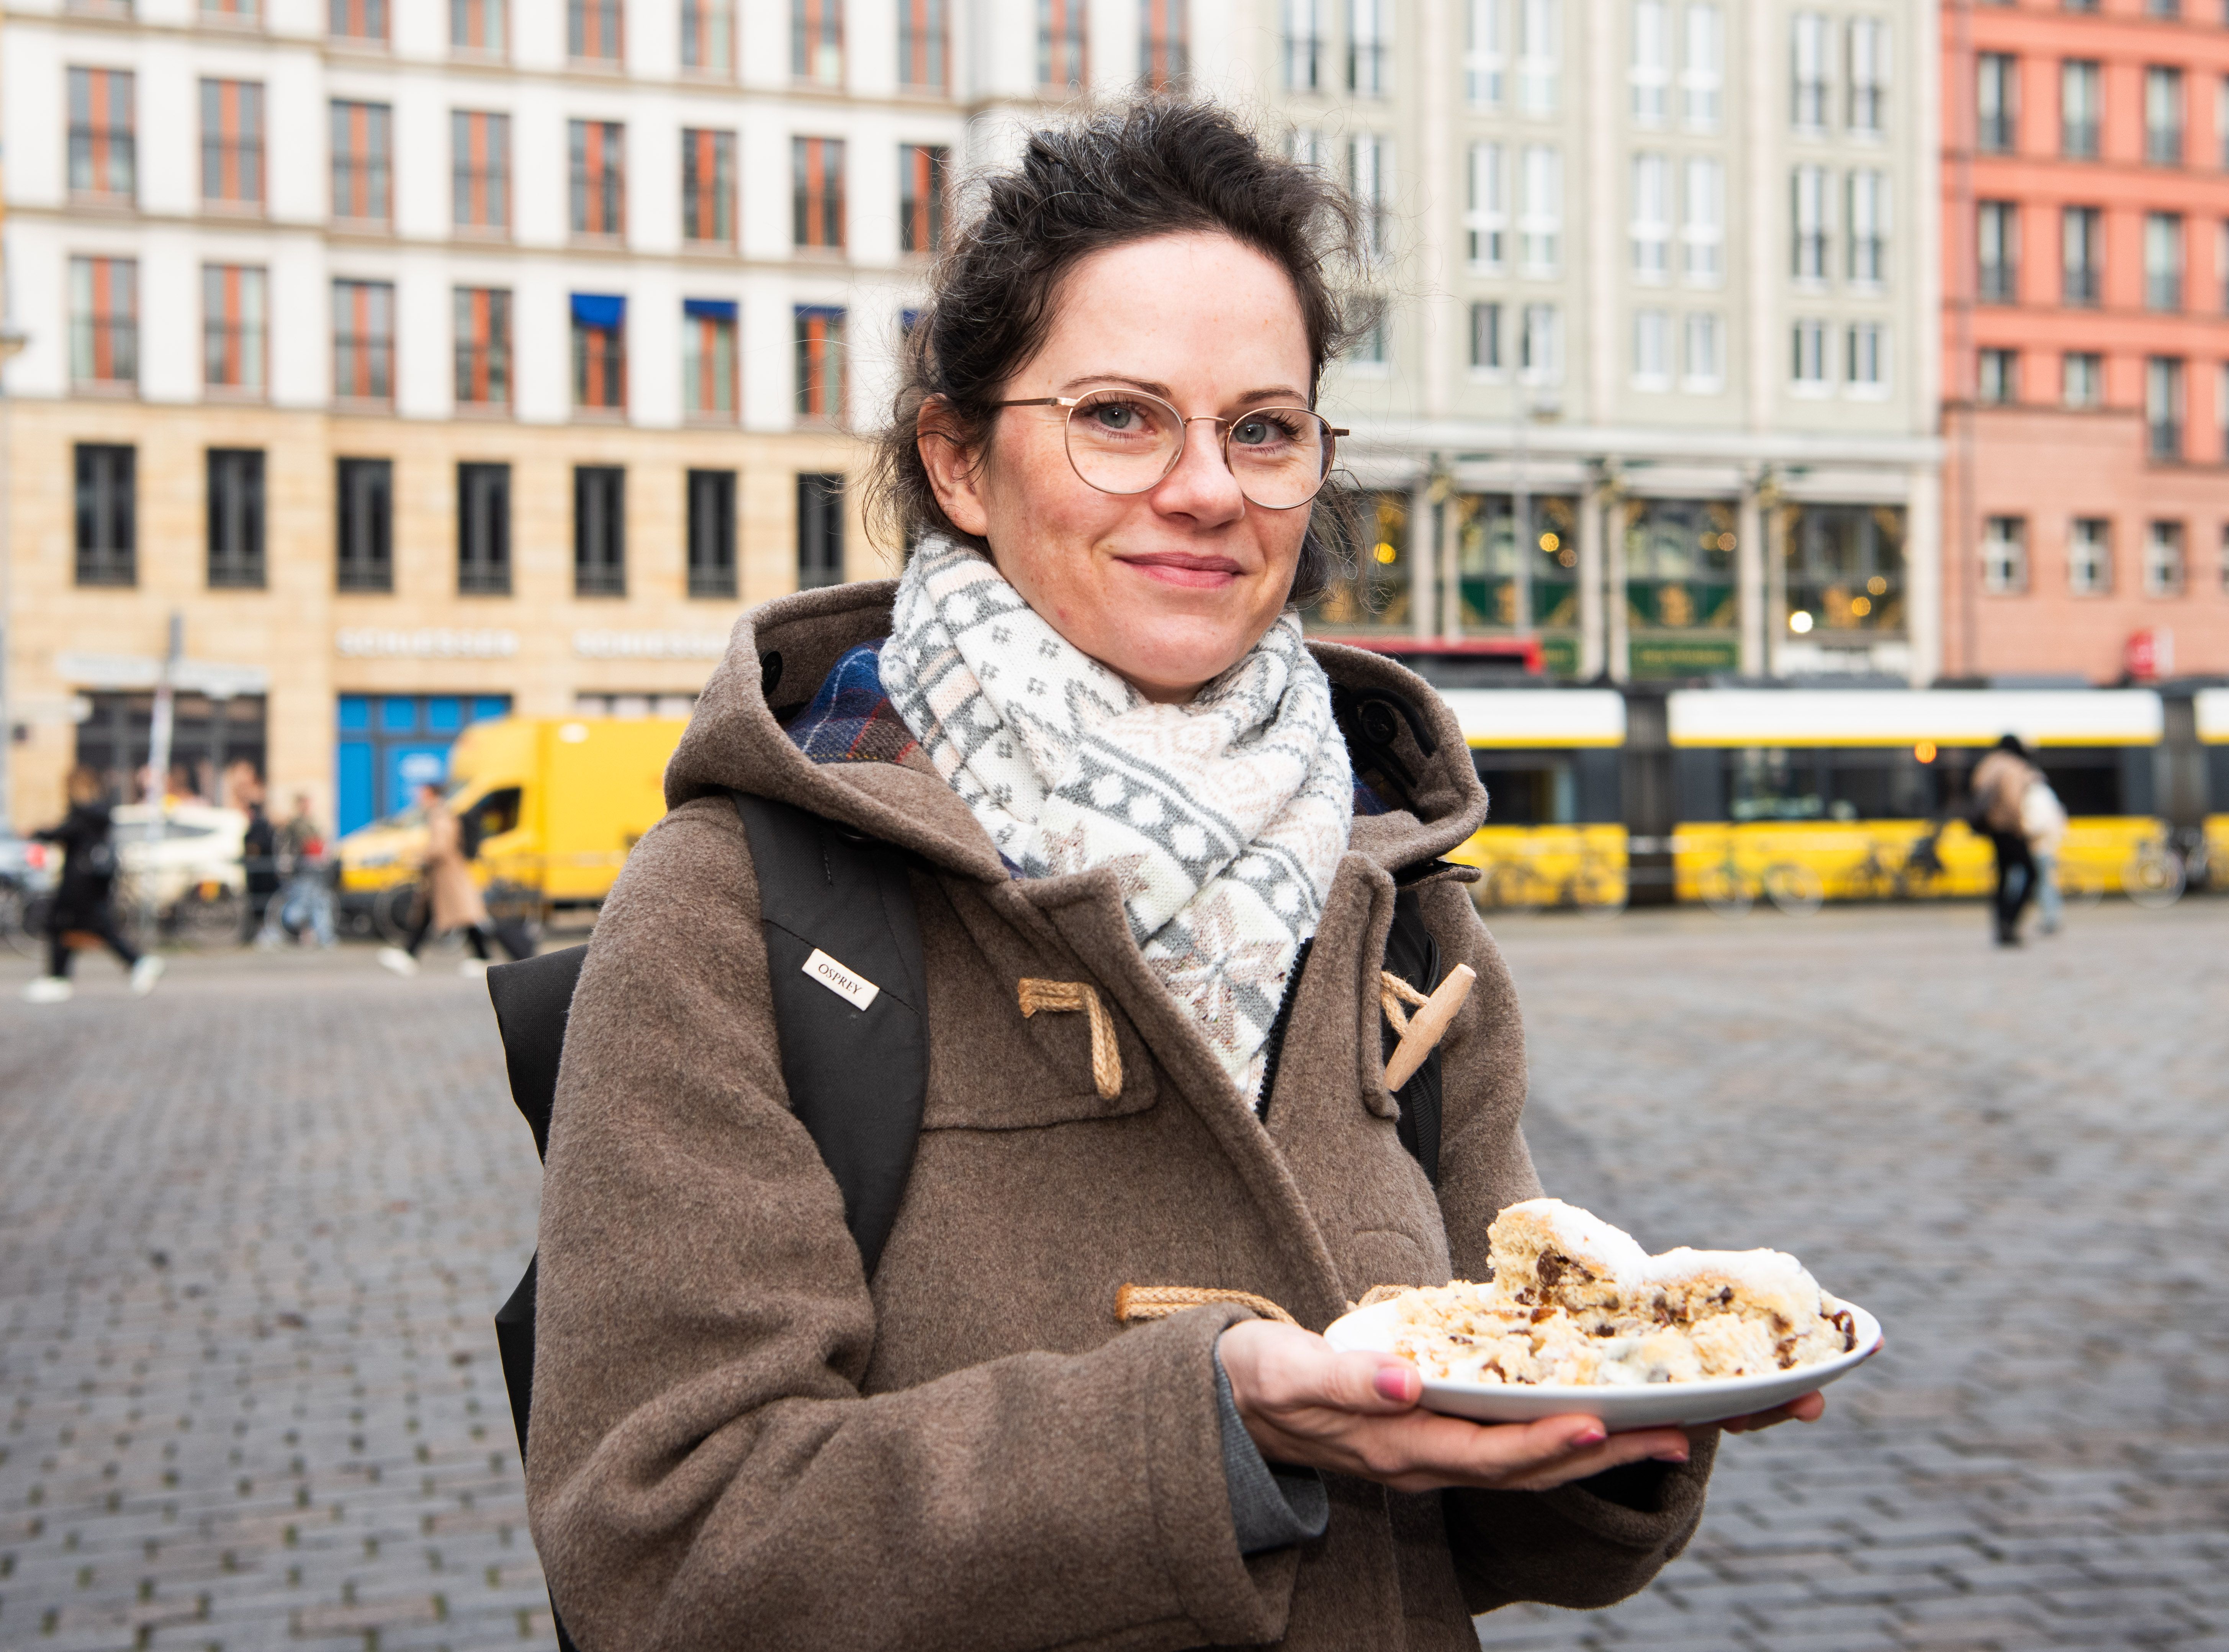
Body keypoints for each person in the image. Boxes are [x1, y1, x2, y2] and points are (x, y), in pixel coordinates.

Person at [525, 103, 1825, 1652]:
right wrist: (1210, 1431)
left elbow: (1473, 1506)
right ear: (957, 458)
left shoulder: (1395, 882)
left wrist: (1623, 1413)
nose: (1207, 489)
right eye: (1122, 417)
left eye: (1262, 429)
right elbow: (662, 1555)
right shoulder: (736, 906)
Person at [21, 768, 163, 1004]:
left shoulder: (82, 814)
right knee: (74, 928)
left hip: (79, 882)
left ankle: (135, 964)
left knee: (75, 926)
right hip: (95, 880)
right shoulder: (101, 813)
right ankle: (61, 978)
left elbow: (61, 833)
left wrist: (35, 832)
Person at [377, 781, 503, 978]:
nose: (417, 797)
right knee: (446, 914)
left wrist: (422, 858)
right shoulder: (441, 812)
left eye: (420, 793)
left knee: (464, 915)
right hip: (444, 876)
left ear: (430, 794)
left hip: (448, 876)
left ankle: (481, 957)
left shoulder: (440, 814)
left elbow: (441, 846)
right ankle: (410, 954)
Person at [1972, 734, 2041, 947]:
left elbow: (1976, 791)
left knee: (2002, 878)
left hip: (1993, 830)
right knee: (2032, 873)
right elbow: (2013, 801)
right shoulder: (2014, 766)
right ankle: (2010, 923)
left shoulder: (1987, 764)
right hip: (2010, 829)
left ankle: (2000, 926)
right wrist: (2020, 828)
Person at [272, 792, 337, 948]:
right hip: (303, 868)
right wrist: (284, 863)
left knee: (316, 901)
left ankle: (317, 934)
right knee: (306, 902)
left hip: (314, 868)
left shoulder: (311, 823)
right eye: (306, 804)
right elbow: (289, 845)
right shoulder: (296, 824)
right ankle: (313, 933)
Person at [2021, 773, 2069, 936]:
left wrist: (2025, 833)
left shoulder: (2035, 797)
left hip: (2039, 847)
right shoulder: (2046, 794)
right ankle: (2051, 918)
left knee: (2041, 883)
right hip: (2046, 846)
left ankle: (2049, 919)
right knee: (2045, 883)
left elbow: (2038, 823)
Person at [241, 790, 281, 945]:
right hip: (265, 874)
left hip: (261, 876)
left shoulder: (257, 828)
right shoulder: (265, 826)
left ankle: (263, 933)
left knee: (262, 905)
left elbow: (254, 848)